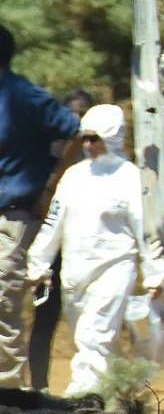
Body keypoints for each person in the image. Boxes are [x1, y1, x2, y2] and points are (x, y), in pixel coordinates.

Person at [27, 104, 164, 397]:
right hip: (74, 275)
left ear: (113, 137)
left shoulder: (132, 178)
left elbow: (146, 231)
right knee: (100, 341)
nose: (88, 145)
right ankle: (119, 397)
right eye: (85, 139)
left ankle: (82, 399)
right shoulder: (74, 177)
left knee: (93, 337)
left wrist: (156, 273)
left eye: (95, 138)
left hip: (114, 269)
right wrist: (39, 264)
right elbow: (53, 223)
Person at [0, 24, 80, 388]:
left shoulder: (25, 97)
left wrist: (51, 189)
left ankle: (10, 391)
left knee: (4, 305)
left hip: (13, 218)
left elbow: (77, 132)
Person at [28, 89, 91, 390]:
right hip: (54, 249)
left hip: (90, 249)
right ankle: (39, 385)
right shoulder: (48, 152)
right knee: (45, 320)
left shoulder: (100, 158)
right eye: (73, 113)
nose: (77, 120)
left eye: (83, 113)